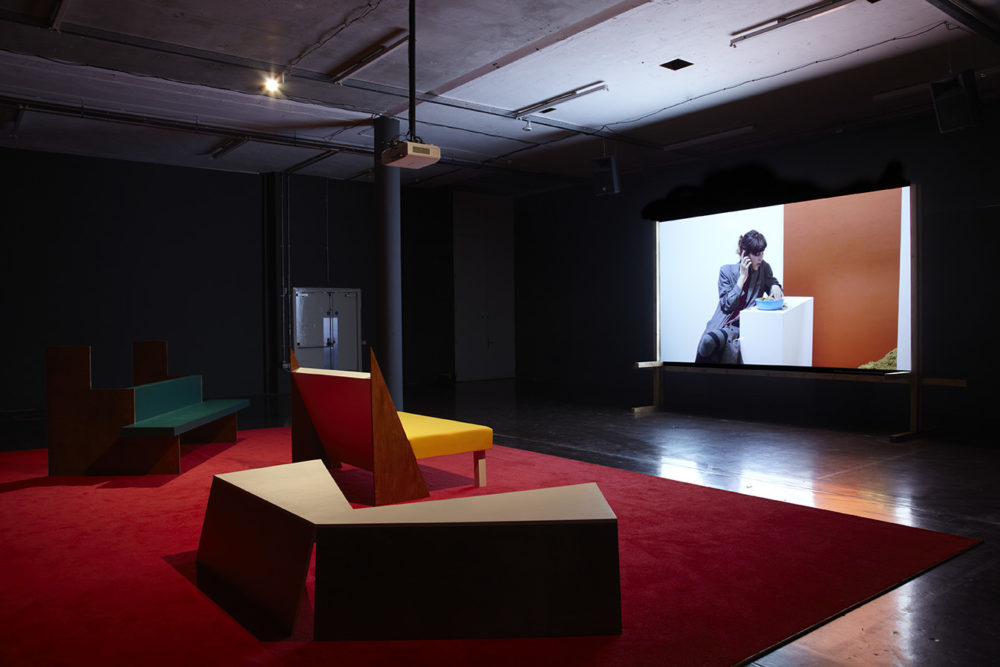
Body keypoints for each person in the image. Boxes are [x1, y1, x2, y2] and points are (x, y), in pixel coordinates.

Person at [695, 230, 783, 364]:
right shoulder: (726, 271)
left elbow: (772, 282)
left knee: (712, 345)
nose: (760, 258)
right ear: (745, 254)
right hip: (722, 323)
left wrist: (775, 286)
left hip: (740, 327)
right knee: (707, 343)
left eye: (762, 253)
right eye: (756, 254)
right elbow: (727, 305)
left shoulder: (763, 268)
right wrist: (742, 278)